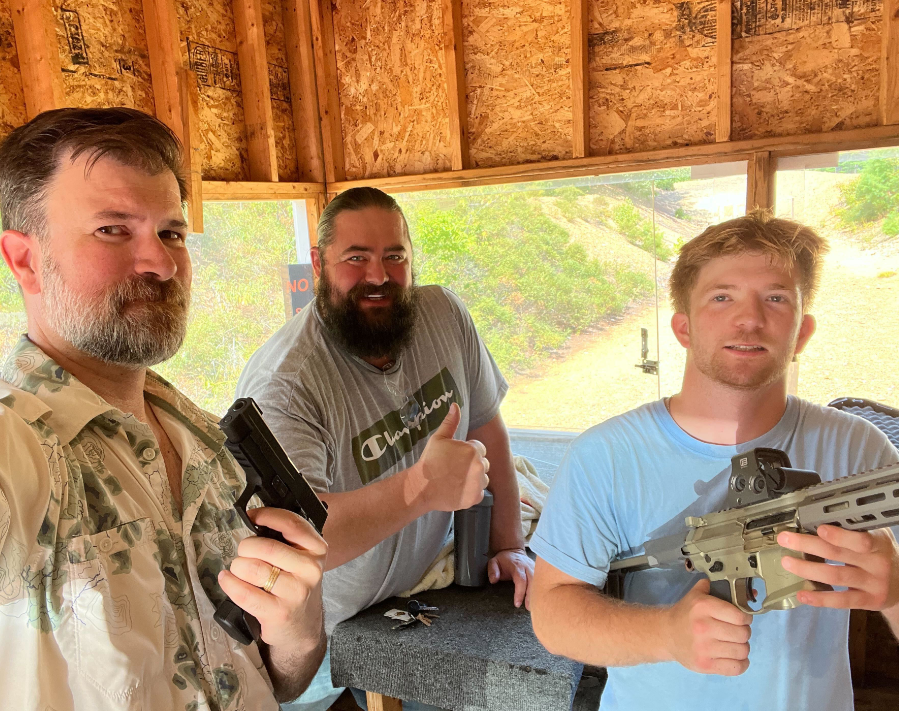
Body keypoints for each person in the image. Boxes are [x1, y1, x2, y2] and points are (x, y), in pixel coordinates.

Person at [0, 108, 327, 711]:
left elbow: (279, 680)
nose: (160, 263)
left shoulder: (208, 441)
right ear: (24, 260)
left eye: (172, 233)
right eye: (112, 230)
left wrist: (300, 631)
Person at [529, 214, 899, 711]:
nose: (749, 319)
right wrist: (668, 633)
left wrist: (895, 591)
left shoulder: (859, 451)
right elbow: (551, 611)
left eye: (776, 297)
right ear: (683, 327)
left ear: (803, 331)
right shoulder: (603, 456)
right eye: (722, 296)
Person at [235, 187, 533, 709]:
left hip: (438, 578)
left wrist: (507, 545)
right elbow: (301, 538)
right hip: (350, 625)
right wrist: (421, 488)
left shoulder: (444, 314)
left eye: (394, 257)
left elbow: (488, 429)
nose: (378, 276)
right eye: (357, 258)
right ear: (319, 263)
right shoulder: (285, 383)